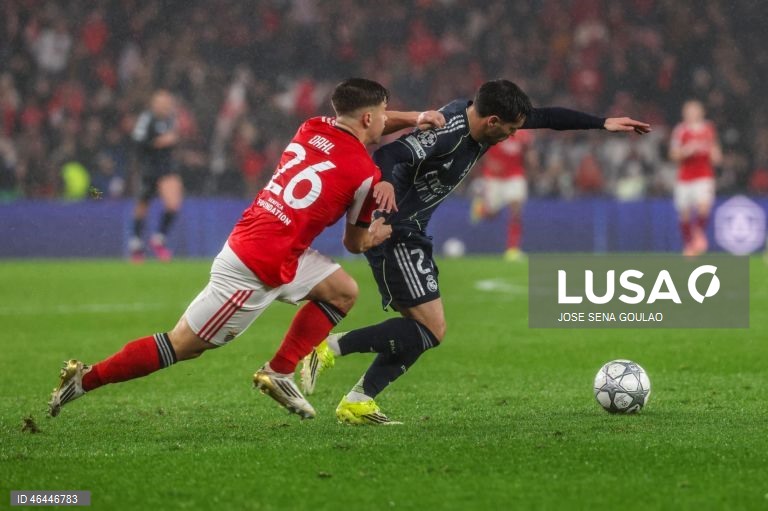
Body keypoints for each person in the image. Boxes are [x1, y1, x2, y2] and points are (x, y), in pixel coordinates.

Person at [48, 78, 444, 419]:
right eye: (385, 112)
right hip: (253, 268)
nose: (386, 118)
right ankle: (85, 379)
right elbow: (353, 243)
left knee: (342, 291)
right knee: (182, 344)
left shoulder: (312, 126)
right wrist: (376, 234)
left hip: (270, 244)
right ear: (369, 118)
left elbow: (368, 121)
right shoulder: (366, 175)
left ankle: (279, 371)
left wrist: (414, 117)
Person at [299, 79, 651, 425]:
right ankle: (329, 348)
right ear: (491, 122)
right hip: (395, 231)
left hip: (412, 231)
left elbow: (545, 117)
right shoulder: (448, 134)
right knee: (430, 329)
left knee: (423, 329)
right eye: (510, 130)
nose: (512, 136)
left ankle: (358, 399)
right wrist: (387, 182)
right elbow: (391, 152)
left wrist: (602, 122)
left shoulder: (485, 117)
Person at [129, 90, 182, 263]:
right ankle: (136, 244)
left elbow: (174, 139)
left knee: (173, 205)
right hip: (149, 168)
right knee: (143, 205)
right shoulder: (147, 119)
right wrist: (158, 142)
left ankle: (158, 239)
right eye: (162, 102)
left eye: (167, 103)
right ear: (154, 104)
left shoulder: (170, 120)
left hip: (166, 167)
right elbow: (137, 142)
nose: (165, 106)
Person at [470, 128, 538, 261]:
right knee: (491, 214)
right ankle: (481, 208)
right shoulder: (496, 130)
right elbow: (482, 148)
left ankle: (512, 249)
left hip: (514, 175)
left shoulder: (523, 136)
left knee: (516, 209)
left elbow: (529, 153)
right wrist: (489, 162)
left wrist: (532, 162)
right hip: (494, 177)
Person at [669, 100, 722, 256]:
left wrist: (716, 155)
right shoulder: (680, 130)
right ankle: (689, 245)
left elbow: (715, 151)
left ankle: (698, 233)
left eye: (694, 110)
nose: (691, 114)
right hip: (685, 177)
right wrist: (686, 151)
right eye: (688, 111)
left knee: (704, 207)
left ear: (701, 112)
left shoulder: (708, 129)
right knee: (684, 214)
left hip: (704, 175)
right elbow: (673, 154)